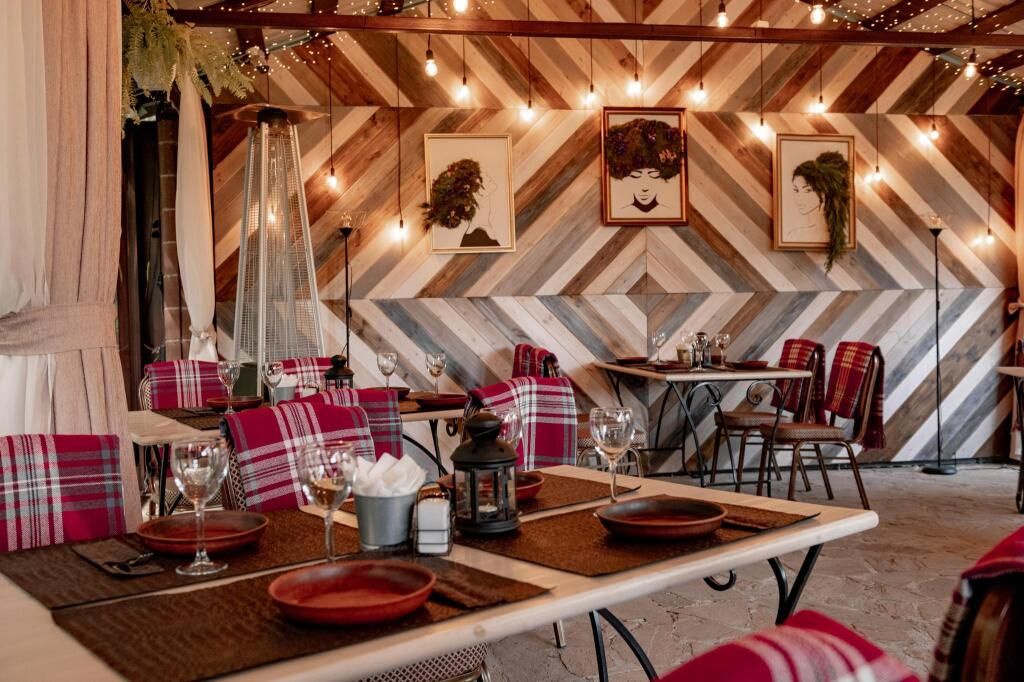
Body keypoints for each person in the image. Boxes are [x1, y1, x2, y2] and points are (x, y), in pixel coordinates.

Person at [604, 117, 684, 219]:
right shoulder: (620, 212)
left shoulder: (670, 212)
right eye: (635, 176)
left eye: (654, 175)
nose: (644, 187)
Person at [786, 151, 850, 256]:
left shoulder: (834, 233)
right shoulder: (795, 235)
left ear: (823, 193)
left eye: (807, 190)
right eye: (796, 190)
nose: (799, 197)